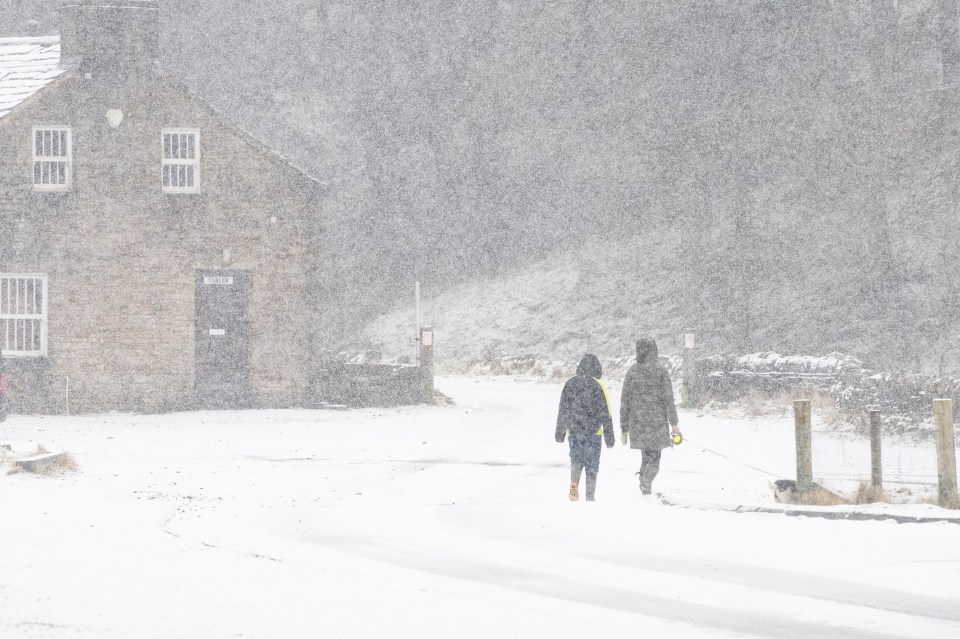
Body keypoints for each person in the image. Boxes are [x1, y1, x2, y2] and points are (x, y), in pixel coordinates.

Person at [620, 337, 680, 495]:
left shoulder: (632, 371)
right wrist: (674, 423)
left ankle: (644, 485)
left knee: (646, 456)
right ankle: (646, 482)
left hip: (638, 422)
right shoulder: (661, 371)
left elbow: (625, 401)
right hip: (657, 422)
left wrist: (624, 427)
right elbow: (668, 399)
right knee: (654, 459)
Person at [555, 354, 614, 501]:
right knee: (592, 465)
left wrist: (560, 433)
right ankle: (590, 496)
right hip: (594, 432)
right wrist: (609, 437)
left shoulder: (570, 383)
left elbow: (563, 409)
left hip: (574, 431)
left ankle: (574, 483)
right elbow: (606, 412)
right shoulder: (598, 385)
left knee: (576, 459)